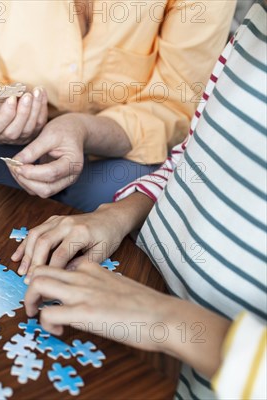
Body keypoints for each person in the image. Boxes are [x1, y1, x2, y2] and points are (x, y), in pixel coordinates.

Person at [16, 3, 267, 398]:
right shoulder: (256, 24)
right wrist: (116, 215)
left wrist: (168, 320)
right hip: (130, 307)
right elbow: (192, 156)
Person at [0, 0, 236, 211]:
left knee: (130, 216)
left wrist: (82, 130)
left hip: (119, 155)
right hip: (0, 147)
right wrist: (1, 109)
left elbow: (174, 105)